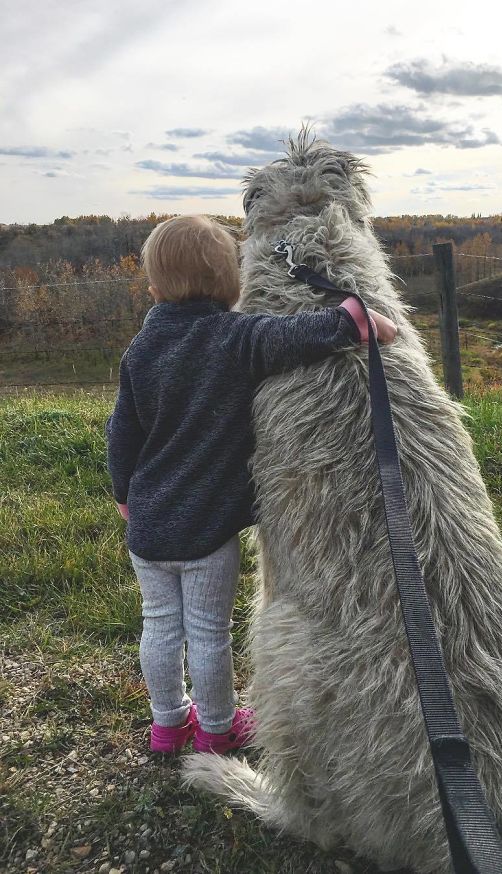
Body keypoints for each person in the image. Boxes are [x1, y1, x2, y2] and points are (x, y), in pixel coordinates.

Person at [106, 215, 396, 754]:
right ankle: (217, 730)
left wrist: (124, 493)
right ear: (232, 285)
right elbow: (293, 335)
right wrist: (357, 319)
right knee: (209, 633)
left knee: (160, 627)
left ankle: (167, 726)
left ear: (153, 288)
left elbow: (122, 432)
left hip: (147, 528)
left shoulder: (141, 350)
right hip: (207, 533)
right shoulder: (235, 338)